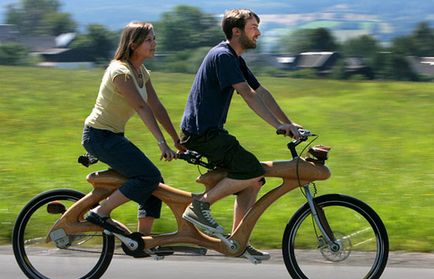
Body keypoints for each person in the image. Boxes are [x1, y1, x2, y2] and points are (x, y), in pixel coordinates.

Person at [180, 9, 302, 260]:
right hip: (202, 134)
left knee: (253, 180)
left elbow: (261, 91)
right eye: (253, 27)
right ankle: (200, 205)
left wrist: (289, 123)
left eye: (257, 26)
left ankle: (237, 241)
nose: (258, 32)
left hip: (210, 132)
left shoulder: (235, 58)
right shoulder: (223, 56)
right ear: (236, 31)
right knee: (251, 169)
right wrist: (276, 126)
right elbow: (247, 94)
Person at [82, 21, 183, 235]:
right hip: (98, 137)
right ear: (133, 44)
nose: (154, 43)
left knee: (155, 183)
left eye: (154, 38)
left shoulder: (141, 71)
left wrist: (176, 140)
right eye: (149, 40)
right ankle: (100, 212)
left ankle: (142, 239)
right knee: (148, 177)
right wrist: (161, 143)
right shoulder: (120, 72)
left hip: (113, 136)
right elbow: (141, 106)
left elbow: (156, 106)